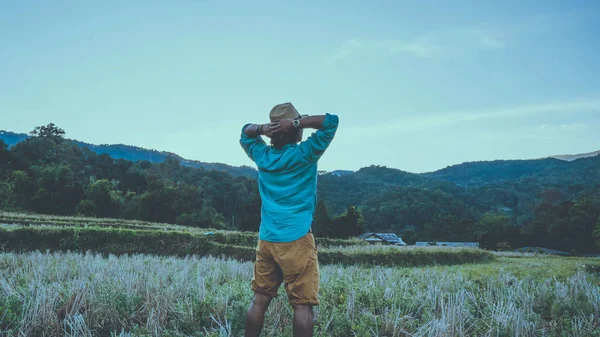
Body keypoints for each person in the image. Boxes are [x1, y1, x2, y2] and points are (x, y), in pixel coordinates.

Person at [239, 102, 339, 337]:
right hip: (297, 238)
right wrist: (295, 122)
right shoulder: (306, 153)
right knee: (302, 305)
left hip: (267, 239)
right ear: (295, 130)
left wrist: (264, 128)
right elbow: (331, 122)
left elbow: (245, 132)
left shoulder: (263, 156)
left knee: (260, 299)